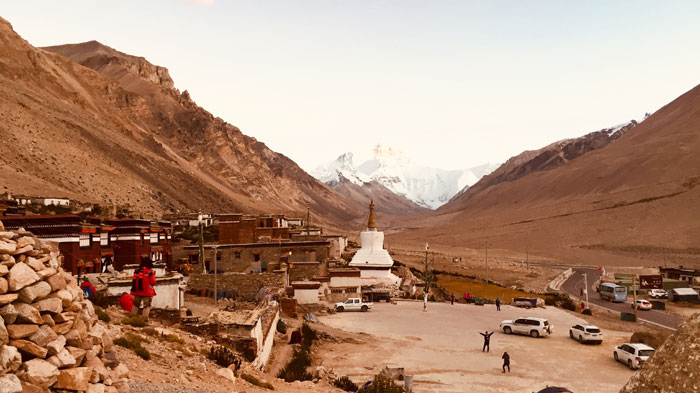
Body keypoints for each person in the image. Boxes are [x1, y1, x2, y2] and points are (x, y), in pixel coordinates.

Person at [130, 256, 157, 320]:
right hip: (147, 292)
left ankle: (131, 317)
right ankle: (144, 319)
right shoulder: (150, 272)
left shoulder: (136, 271)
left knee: (136, 305)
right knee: (146, 306)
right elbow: (153, 282)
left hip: (136, 291)